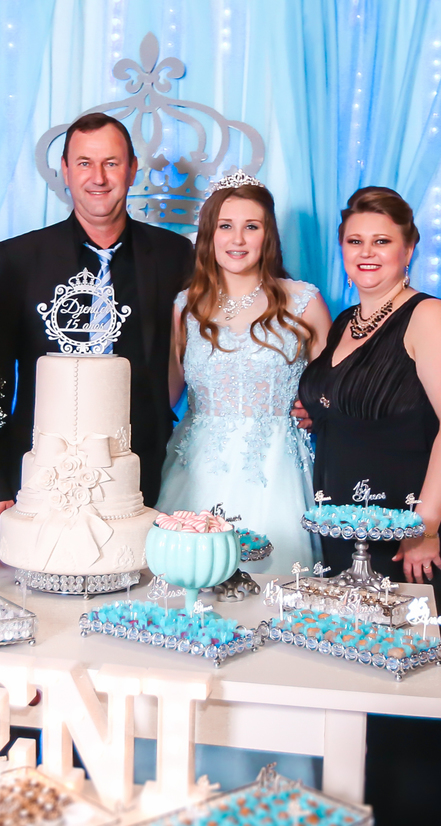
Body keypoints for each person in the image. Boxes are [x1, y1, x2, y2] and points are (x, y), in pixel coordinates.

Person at [297, 186, 441, 825]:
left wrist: (426, 526)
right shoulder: (346, 320)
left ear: (409, 247)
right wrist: (317, 410)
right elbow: (359, 410)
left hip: (407, 541)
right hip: (342, 533)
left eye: (382, 241)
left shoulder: (430, 317)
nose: (366, 253)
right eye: (355, 241)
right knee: (353, 683)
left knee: (407, 686)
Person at [0, 113, 194, 542]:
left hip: (145, 471)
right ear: (66, 172)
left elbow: (215, 342)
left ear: (132, 169)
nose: (99, 178)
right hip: (40, 468)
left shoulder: (175, 255)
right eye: (85, 163)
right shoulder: (19, 258)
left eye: (111, 163)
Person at [157, 176, 333, 574]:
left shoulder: (303, 301)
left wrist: (317, 410)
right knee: (188, 578)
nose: (237, 239)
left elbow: (335, 392)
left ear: (267, 235)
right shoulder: (186, 305)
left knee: (274, 581)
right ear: (209, 234)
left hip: (276, 470)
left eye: (251, 226)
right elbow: (165, 394)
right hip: (196, 470)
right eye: (225, 226)